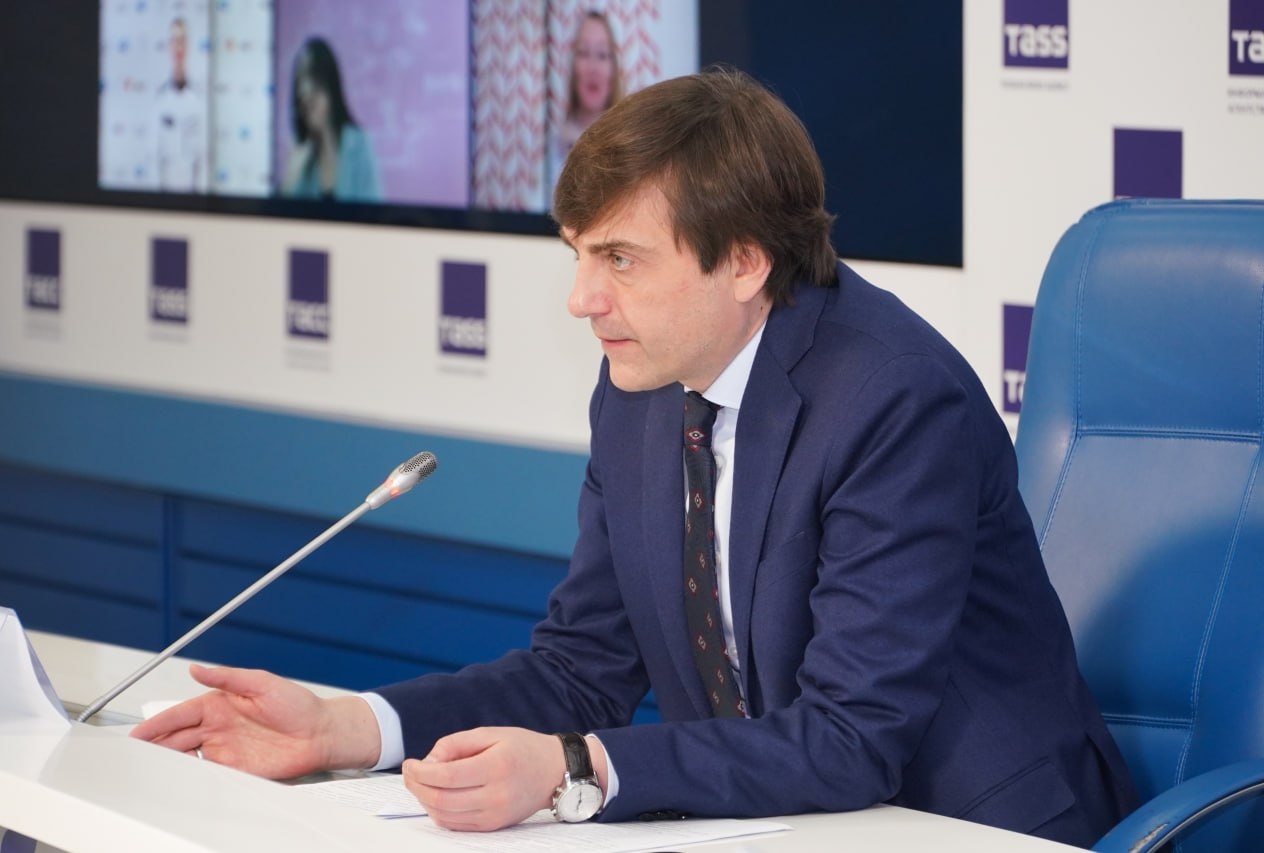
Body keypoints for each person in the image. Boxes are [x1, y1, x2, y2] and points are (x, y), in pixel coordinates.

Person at [132, 68, 1139, 845]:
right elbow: (580, 670)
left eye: (618, 257)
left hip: (968, 827)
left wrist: (577, 769)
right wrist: (346, 727)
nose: (582, 299)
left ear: (743, 260)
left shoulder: (893, 399)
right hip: (791, 823)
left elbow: (849, 737)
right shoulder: (642, 387)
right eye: (577, 252)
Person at [279, 37, 382, 202]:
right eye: (300, 81)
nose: (305, 92)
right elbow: (283, 214)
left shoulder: (359, 144)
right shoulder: (302, 154)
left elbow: (375, 209)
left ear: (330, 86)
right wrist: (290, 178)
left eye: (313, 80)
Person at [547, 11, 623, 206]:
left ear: (614, 69)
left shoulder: (631, 147)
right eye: (583, 53)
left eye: (602, 55)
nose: (593, 68)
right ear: (573, 66)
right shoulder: (554, 148)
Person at [156, 16, 208, 192]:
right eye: (174, 40)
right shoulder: (159, 100)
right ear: (168, 46)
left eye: (182, 40)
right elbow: (154, 158)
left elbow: (202, 160)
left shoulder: (200, 100)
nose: (178, 47)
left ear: (188, 46)